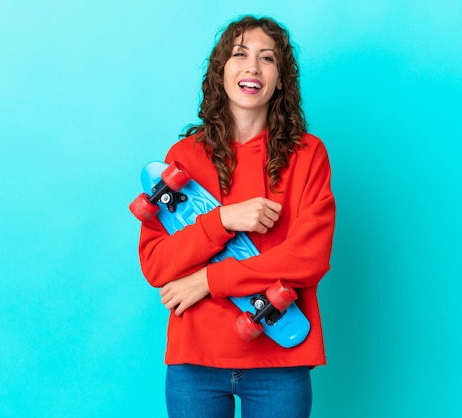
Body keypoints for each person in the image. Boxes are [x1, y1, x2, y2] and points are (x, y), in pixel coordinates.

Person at [136, 15, 336, 418]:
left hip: (279, 359)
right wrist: (223, 219)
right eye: (239, 55)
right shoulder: (184, 158)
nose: (252, 67)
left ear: (280, 79)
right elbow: (157, 265)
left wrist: (208, 280)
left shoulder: (308, 155)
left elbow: (308, 260)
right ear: (221, 71)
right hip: (195, 361)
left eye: (267, 58)